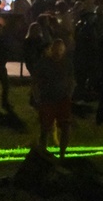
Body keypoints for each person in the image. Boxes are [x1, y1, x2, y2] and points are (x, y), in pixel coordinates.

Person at [27, 26, 75, 157]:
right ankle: (43, 154)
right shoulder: (43, 63)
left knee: (66, 127)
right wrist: (37, 97)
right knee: (45, 129)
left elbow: (71, 79)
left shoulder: (67, 63)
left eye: (60, 50)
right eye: (56, 50)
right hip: (47, 99)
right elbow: (35, 81)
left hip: (62, 99)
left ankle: (62, 154)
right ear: (51, 50)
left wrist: (69, 94)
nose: (58, 53)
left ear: (63, 51)